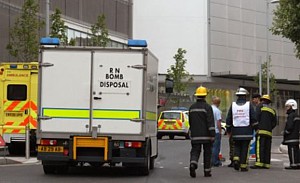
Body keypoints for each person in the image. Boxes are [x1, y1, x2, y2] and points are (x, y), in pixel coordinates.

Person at [226, 87, 258, 172]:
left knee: (236, 145)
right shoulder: (249, 105)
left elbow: (229, 118)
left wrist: (228, 130)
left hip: (236, 131)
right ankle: (243, 166)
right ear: (245, 96)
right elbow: (253, 118)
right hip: (247, 131)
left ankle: (236, 159)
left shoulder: (233, 105)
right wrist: (256, 128)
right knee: (245, 148)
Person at [189, 86, 215, 178]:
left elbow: (190, 122)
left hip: (195, 135)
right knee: (207, 153)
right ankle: (207, 171)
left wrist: (191, 133)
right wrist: (212, 135)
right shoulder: (207, 107)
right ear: (205, 96)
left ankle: (193, 163)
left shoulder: (192, 107)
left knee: (195, 151)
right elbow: (210, 122)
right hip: (206, 135)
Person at [250, 95, 277, 169]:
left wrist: (256, 128)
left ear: (262, 100)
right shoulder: (272, 109)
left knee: (260, 147)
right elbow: (275, 122)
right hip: (269, 132)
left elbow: (256, 118)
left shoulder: (259, 107)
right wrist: (269, 128)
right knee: (267, 148)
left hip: (260, 131)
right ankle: (266, 163)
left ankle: (259, 163)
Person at [282, 99, 300, 170]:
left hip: (291, 137)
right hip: (296, 136)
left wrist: (285, 132)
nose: (287, 108)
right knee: (297, 151)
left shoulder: (291, 116)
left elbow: (289, 126)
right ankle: (298, 163)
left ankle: (293, 164)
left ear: (292, 106)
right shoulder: (297, 115)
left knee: (291, 151)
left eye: (288, 106)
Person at [211, 96, 222, 167]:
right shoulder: (217, 111)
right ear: (218, 103)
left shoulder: (209, 109)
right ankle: (215, 162)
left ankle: (210, 160)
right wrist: (220, 131)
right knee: (216, 147)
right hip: (216, 131)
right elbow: (218, 122)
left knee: (210, 147)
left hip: (210, 130)